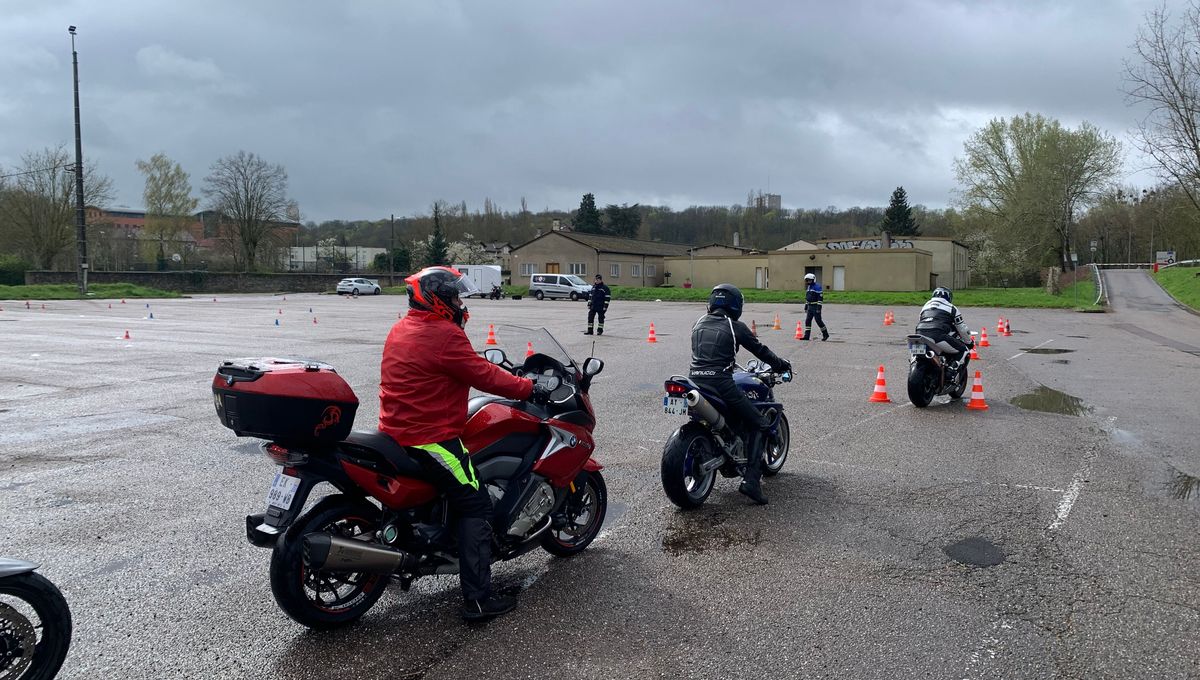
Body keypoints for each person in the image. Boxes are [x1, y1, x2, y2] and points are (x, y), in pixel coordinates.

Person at [379, 266, 553, 622]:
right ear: (437, 299)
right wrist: (528, 387)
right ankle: (477, 600)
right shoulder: (443, 334)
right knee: (476, 506)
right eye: (455, 296)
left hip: (393, 431)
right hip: (430, 436)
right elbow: (481, 372)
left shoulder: (402, 327)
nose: (460, 302)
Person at [689, 284, 792, 505]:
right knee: (760, 423)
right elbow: (761, 351)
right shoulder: (735, 326)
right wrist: (782, 365)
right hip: (721, 385)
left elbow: (709, 355)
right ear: (735, 305)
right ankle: (752, 482)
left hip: (695, 382)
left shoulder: (698, 324)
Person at [915, 287, 974, 375]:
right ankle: (951, 372)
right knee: (964, 350)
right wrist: (969, 342)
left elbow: (920, 320)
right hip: (937, 335)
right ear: (949, 297)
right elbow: (962, 328)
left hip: (919, 334)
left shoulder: (925, 306)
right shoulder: (952, 308)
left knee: (916, 357)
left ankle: (914, 363)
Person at [802, 273, 829, 341]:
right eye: (807, 280)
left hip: (815, 306)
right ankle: (806, 336)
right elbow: (808, 298)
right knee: (807, 321)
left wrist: (818, 308)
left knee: (818, 321)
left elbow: (820, 298)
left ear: (813, 280)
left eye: (809, 280)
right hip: (810, 307)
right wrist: (806, 306)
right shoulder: (809, 287)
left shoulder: (817, 287)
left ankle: (825, 334)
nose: (808, 282)